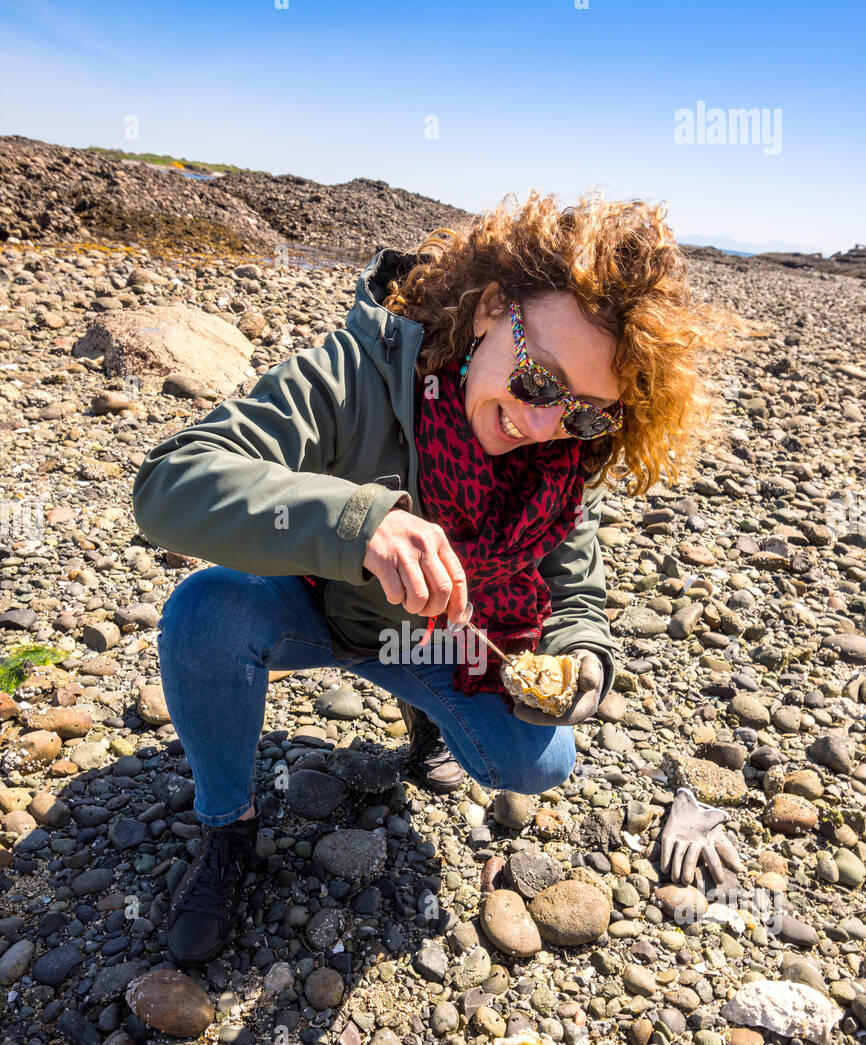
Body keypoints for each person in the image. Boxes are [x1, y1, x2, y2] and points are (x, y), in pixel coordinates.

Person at [132, 190, 733, 968]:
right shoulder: (354, 375)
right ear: (488, 308)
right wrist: (356, 523)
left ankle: (424, 717)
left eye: (585, 412)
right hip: (317, 604)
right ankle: (228, 828)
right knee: (204, 614)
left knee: (539, 760)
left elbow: (574, 590)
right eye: (541, 380)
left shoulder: (561, 456)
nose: (544, 425)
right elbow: (169, 484)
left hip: (441, 640)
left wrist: (583, 656)